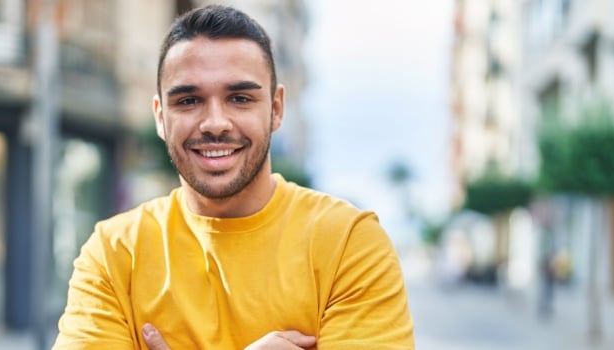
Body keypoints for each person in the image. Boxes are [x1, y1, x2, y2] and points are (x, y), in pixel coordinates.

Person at [52, 5, 414, 349]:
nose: (215, 124)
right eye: (188, 101)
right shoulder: (114, 253)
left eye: (240, 98)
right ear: (161, 117)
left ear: (275, 109)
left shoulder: (347, 243)